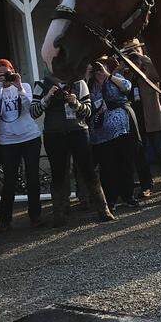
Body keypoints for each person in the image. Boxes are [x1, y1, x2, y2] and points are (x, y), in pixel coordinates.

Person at [32, 75, 114, 225]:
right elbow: (34, 112)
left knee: (89, 171)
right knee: (58, 173)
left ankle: (103, 209)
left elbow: (88, 111)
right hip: (54, 134)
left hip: (78, 131)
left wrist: (75, 103)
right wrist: (47, 97)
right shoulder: (42, 84)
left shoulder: (79, 82)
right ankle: (59, 214)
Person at [0, 60, 44, 231]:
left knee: (32, 178)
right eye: (1, 73)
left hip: (30, 137)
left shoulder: (24, 85)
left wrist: (19, 87)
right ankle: (5, 220)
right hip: (8, 141)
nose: (6, 76)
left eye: (8, 72)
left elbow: (30, 108)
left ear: (14, 71)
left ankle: (35, 216)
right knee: (9, 181)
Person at [125, 47, 161, 202]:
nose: (132, 60)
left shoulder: (147, 73)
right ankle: (146, 186)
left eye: (134, 56)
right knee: (140, 156)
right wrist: (123, 64)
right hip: (137, 121)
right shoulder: (127, 76)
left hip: (154, 119)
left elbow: (160, 74)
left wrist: (143, 58)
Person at [88, 60, 140, 210]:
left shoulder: (114, 77)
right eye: (95, 69)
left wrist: (108, 75)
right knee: (108, 166)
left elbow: (127, 87)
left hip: (123, 129)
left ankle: (128, 196)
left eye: (101, 68)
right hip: (101, 133)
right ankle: (110, 199)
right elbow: (86, 102)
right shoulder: (90, 84)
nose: (98, 71)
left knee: (126, 162)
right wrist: (87, 74)